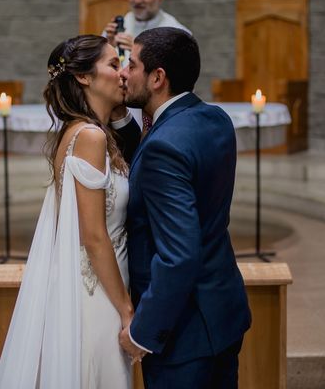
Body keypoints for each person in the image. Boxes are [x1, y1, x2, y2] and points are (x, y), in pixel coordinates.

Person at [0, 35, 136, 389]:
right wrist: (126, 309)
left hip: (96, 285)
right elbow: (94, 235)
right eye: (113, 65)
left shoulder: (82, 131)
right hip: (98, 295)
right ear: (84, 77)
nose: (122, 75)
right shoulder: (90, 137)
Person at [118, 27, 251, 389]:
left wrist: (144, 330)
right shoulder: (215, 120)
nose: (123, 72)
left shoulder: (165, 146)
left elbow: (179, 254)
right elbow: (154, 159)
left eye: (131, 63)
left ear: (158, 77)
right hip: (223, 312)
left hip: (184, 333)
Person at [103, 0, 191, 59]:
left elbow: (182, 71)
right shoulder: (116, 28)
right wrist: (109, 47)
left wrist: (141, 51)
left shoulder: (179, 34)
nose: (137, 0)